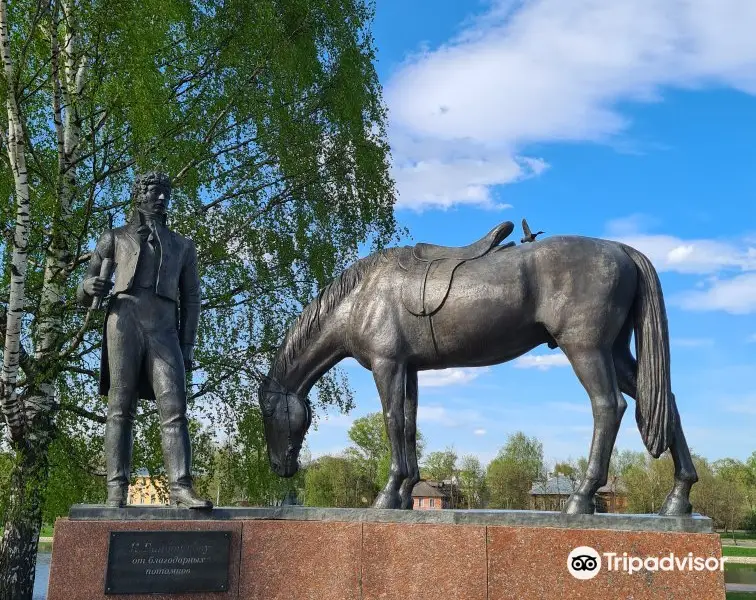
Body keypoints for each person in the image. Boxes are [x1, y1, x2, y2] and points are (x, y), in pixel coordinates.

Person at [77, 171, 211, 508]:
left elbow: (192, 299)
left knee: (174, 408)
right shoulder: (114, 238)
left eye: (165, 192)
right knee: (120, 408)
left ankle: (180, 487)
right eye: (154, 191)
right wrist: (87, 288)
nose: (161, 198)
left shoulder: (183, 246)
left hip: (164, 329)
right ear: (139, 194)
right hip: (123, 322)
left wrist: (187, 345)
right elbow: (85, 286)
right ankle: (115, 490)